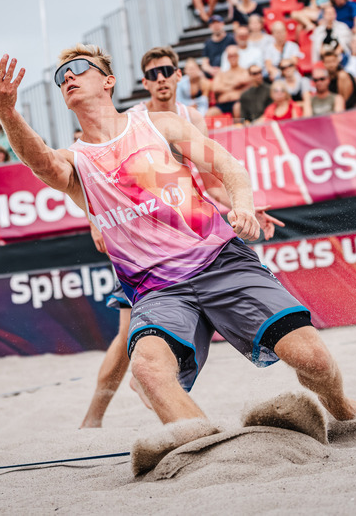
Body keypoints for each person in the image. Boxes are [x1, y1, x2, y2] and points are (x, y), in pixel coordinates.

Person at [0, 47, 356, 455]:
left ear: (108, 80)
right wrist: (7, 110)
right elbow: (40, 163)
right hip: (157, 287)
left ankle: (338, 405)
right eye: (61, 77)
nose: (68, 78)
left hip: (220, 260)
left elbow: (228, 166)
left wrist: (243, 206)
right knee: (146, 369)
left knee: (314, 361)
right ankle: (207, 450)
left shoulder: (159, 124)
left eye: (78, 69)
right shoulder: (75, 161)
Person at [80, 46, 282, 429]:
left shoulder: (190, 118)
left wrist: (244, 208)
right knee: (126, 338)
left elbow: (209, 181)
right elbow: (96, 182)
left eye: (166, 71)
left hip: (192, 238)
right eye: (152, 73)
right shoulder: (134, 121)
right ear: (144, 82)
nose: (160, 78)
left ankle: (151, 407)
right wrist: (96, 223)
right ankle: (93, 420)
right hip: (144, 245)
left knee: (143, 347)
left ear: (177, 76)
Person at [207, 46, 249, 116]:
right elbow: (215, 88)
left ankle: (239, 126)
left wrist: (225, 84)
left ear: (238, 56)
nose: (233, 58)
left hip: (238, 102)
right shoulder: (221, 74)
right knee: (209, 114)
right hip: (222, 104)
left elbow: (244, 81)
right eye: (230, 56)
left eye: (234, 55)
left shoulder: (244, 71)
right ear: (227, 58)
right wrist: (234, 86)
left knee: (237, 108)